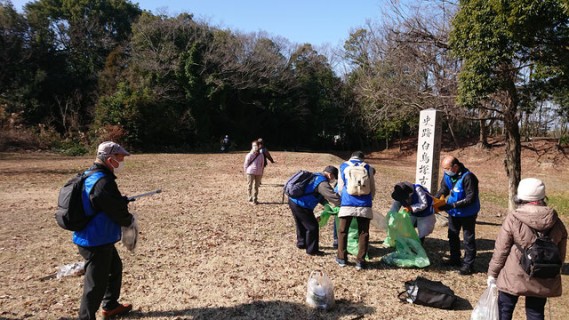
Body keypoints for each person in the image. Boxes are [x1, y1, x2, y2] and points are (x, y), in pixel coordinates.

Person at [487, 178, 567, 320]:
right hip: (542, 273)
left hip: (514, 273)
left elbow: (501, 249)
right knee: (536, 312)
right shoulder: (555, 220)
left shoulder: (514, 218)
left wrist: (492, 273)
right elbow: (560, 251)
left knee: (504, 309)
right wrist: (555, 269)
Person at [74, 141, 135, 319]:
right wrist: (129, 220)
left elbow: (102, 203)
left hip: (97, 236)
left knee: (114, 267)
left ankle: (110, 305)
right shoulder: (102, 181)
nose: (122, 161)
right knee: (95, 285)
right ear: (110, 159)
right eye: (120, 158)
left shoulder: (91, 175)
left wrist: (119, 201)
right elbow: (115, 210)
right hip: (95, 239)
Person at [434, 155, 480, 275]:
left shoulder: (469, 177)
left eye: (447, 168)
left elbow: (471, 198)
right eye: (444, 169)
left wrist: (453, 205)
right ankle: (455, 259)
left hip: (468, 213)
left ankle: (468, 265)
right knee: (452, 235)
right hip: (453, 213)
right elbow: (443, 189)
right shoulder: (448, 175)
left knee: (468, 239)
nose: (445, 171)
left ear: (455, 166)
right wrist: (435, 200)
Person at [336, 151, 376, 270]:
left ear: (351, 156)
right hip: (365, 204)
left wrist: (344, 198)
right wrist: (369, 199)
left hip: (347, 203)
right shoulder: (368, 167)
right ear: (362, 158)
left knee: (343, 231)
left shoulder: (343, 166)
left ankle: (342, 258)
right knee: (363, 232)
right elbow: (372, 188)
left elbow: (340, 187)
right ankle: (360, 261)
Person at [288, 166, 341, 255]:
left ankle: (302, 243)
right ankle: (312, 250)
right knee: (312, 226)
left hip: (293, 200)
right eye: (334, 178)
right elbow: (331, 195)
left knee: (301, 223)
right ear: (330, 175)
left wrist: (325, 204)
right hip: (302, 205)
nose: (333, 180)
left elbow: (317, 194)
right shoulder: (322, 183)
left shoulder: (316, 176)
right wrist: (343, 203)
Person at [243, 140, 264, 204]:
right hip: (250, 172)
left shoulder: (261, 155)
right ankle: (249, 197)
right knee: (249, 185)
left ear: (259, 146)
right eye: (253, 145)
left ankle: (255, 199)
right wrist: (246, 172)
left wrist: (261, 172)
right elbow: (246, 164)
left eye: (256, 145)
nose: (255, 147)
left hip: (258, 173)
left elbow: (262, 164)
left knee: (256, 186)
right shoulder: (249, 155)